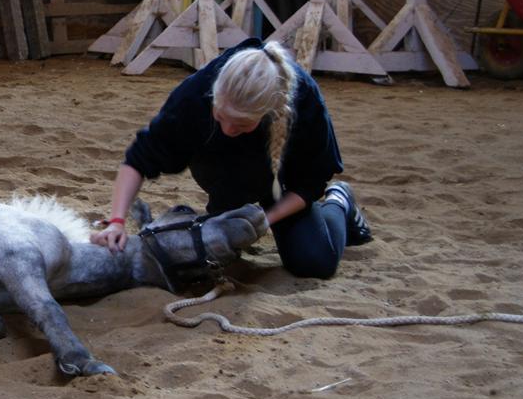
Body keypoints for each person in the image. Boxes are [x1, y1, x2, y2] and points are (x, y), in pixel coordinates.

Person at [91, 38, 371, 279]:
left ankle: (339, 202)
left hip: (282, 186)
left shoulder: (305, 103)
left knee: (314, 263)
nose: (227, 130)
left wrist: (264, 220)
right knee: (207, 262)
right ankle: (225, 206)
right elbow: (138, 158)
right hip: (224, 177)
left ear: (270, 110)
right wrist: (117, 220)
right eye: (220, 117)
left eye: (241, 125)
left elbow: (309, 183)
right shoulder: (194, 94)